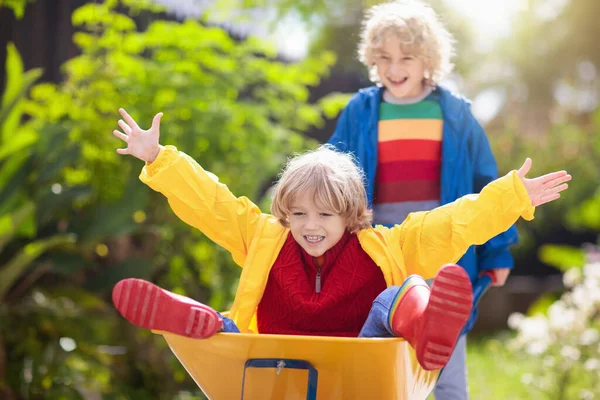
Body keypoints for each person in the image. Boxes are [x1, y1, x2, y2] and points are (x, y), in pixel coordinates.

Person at [110, 107, 570, 372]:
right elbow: (213, 203)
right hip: (272, 351)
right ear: (284, 213)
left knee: (399, 293)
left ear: (350, 215)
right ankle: (196, 319)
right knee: (227, 331)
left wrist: (511, 195)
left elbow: (453, 223)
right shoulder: (264, 238)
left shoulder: (385, 245)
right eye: (298, 214)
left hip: (360, 353)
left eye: (325, 214)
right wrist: (158, 159)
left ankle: (426, 324)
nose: (311, 225)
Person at [327, 0, 516, 396]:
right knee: (382, 332)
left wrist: (497, 252)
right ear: (371, 59)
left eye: (406, 57)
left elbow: (487, 185)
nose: (394, 69)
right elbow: (331, 174)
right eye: (384, 58)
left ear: (427, 58)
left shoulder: (454, 113)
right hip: (379, 243)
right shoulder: (360, 111)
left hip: (443, 239)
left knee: (444, 336)